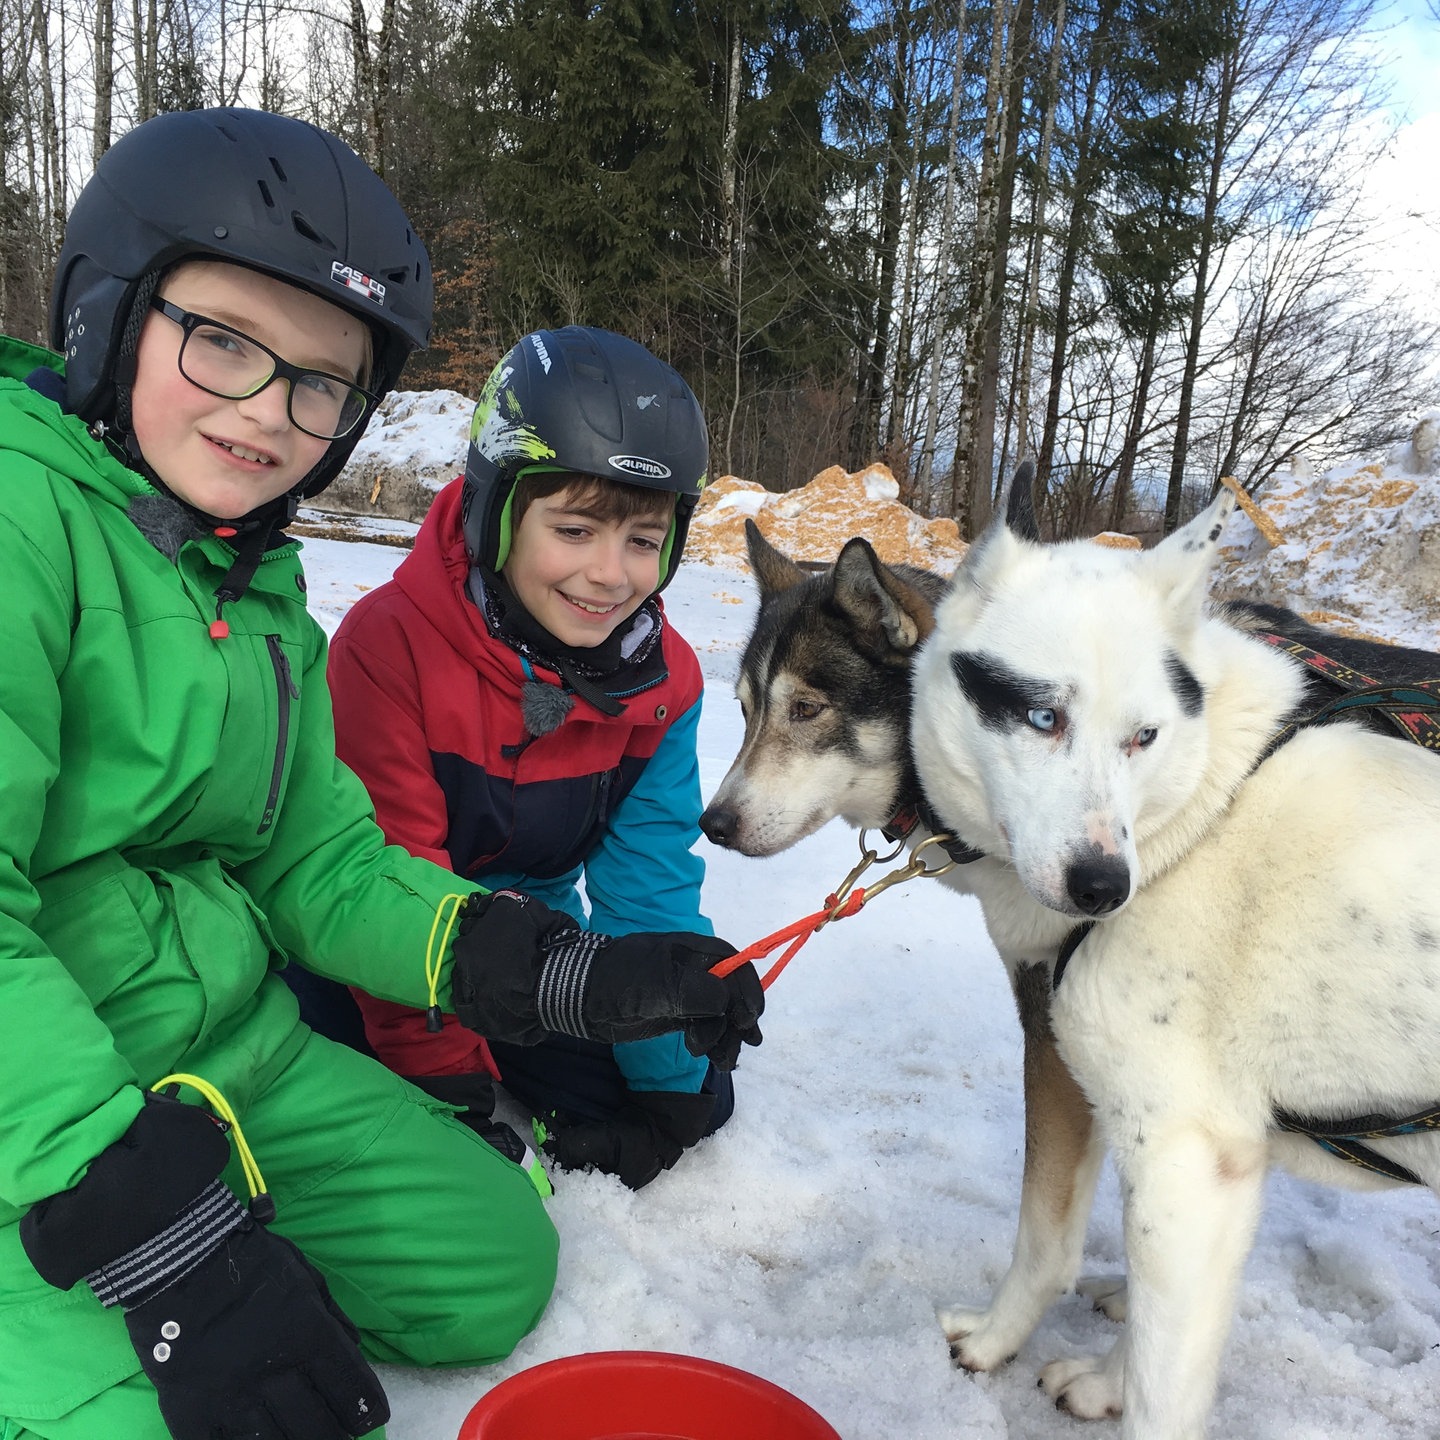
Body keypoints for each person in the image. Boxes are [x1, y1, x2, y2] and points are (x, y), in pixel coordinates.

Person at [0, 107, 763, 1440]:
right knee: (170, 1418)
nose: (267, 415)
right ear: (107, 312)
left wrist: (553, 974)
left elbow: (320, 861)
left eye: (320, 383)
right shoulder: (23, 526)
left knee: (492, 1272)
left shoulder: (261, 595)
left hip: (225, 1051)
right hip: (50, 1099)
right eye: (224, 341)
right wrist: (147, 1221)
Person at [320, 327, 734, 1191]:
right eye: (575, 529)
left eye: (643, 538)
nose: (611, 576)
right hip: (376, 951)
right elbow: (389, 882)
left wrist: (668, 1079)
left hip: (533, 960)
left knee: (687, 1087)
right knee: (351, 1080)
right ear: (495, 510)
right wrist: (453, 1090)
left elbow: (646, 883)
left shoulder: (667, 683)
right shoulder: (386, 649)